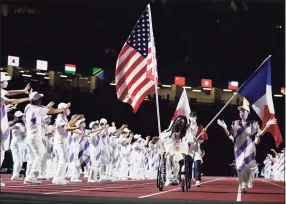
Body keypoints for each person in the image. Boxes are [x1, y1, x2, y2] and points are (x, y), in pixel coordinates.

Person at [217, 98, 277, 193]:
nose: (242, 113)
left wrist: (267, 125)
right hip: (238, 148)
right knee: (240, 166)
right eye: (240, 111)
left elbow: (261, 133)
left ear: (248, 113)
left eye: (244, 111)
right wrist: (224, 127)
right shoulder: (235, 124)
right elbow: (229, 134)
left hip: (250, 148)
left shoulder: (253, 124)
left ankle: (247, 181)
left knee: (248, 166)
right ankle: (242, 185)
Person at [24, 92, 71, 184]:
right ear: (37, 101)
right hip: (35, 135)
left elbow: (42, 109)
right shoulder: (37, 110)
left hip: (30, 135)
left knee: (34, 157)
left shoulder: (28, 107)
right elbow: (52, 111)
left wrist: (47, 106)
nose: (41, 100)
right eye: (40, 99)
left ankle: (30, 176)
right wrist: (63, 108)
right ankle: (31, 176)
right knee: (40, 155)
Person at [149, 115, 189, 186]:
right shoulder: (164, 134)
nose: (180, 124)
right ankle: (168, 179)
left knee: (174, 158)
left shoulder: (183, 136)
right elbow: (154, 147)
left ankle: (175, 177)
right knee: (169, 157)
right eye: (179, 122)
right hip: (165, 154)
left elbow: (185, 147)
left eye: (182, 124)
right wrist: (153, 142)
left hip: (178, 154)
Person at [52, 103, 82, 185]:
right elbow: (67, 128)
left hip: (63, 140)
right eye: (66, 108)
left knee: (65, 160)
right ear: (63, 109)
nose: (68, 109)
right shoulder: (60, 119)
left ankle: (60, 177)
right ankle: (57, 178)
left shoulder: (64, 118)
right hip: (60, 140)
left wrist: (76, 120)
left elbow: (68, 125)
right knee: (63, 160)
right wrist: (77, 127)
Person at [184, 112, 208, 187]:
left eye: (194, 117)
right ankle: (188, 178)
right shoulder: (187, 127)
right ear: (189, 118)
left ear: (196, 118)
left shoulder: (200, 127)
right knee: (188, 163)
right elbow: (184, 137)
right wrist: (189, 140)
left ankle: (197, 180)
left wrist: (203, 133)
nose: (193, 118)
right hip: (189, 147)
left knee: (197, 163)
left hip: (197, 147)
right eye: (191, 117)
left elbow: (205, 138)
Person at [9, 111, 26, 180]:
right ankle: (15, 175)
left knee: (16, 159)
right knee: (19, 160)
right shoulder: (20, 125)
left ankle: (15, 173)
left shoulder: (14, 125)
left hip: (13, 142)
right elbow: (23, 134)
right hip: (19, 142)